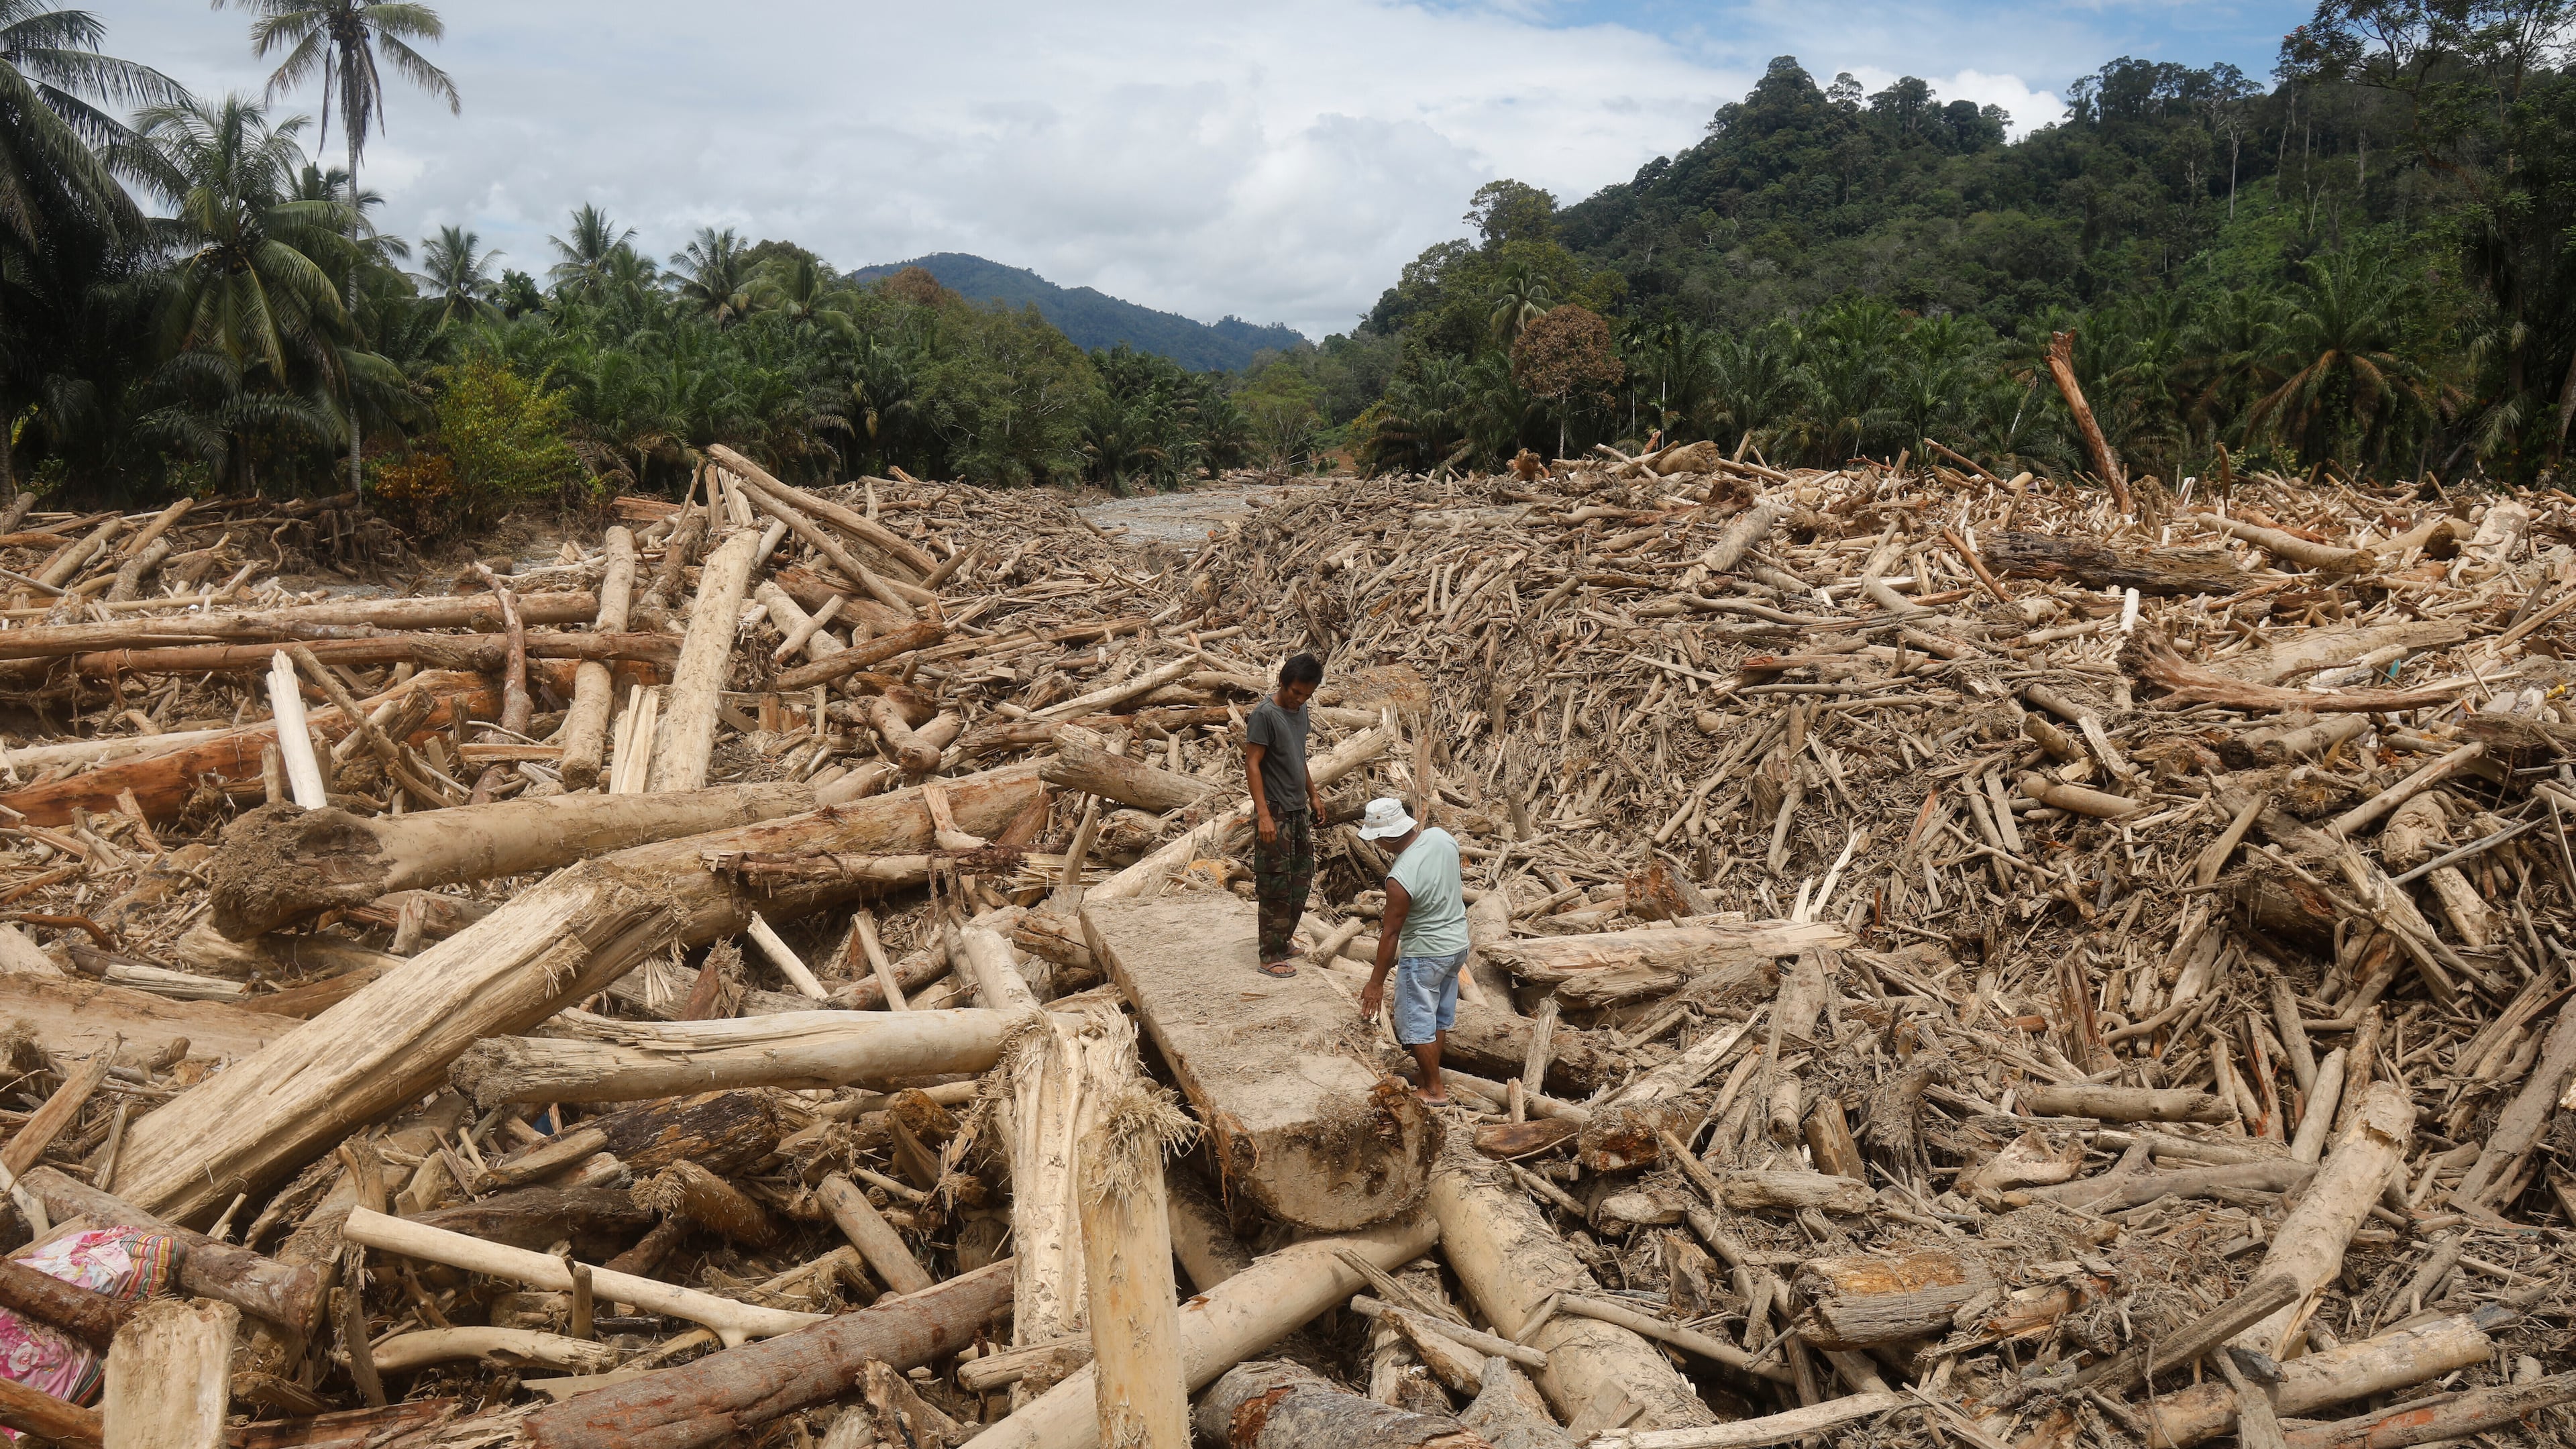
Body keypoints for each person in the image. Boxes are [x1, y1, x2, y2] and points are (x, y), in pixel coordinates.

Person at [1354, 796, 1470, 1106]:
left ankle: (1433, 1089)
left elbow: (1391, 934)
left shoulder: (1399, 879)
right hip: (1456, 944)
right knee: (1438, 1016)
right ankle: (1429, 1075)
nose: (1376, 843)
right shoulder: (1442, 838)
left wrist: (1376, 982)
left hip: (1426, 952)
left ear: (1386, 836)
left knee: (1416, 1019)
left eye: (1376, 837)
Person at [1244, 653, 1326, 977]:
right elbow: (1252, 764)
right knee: (1275, 883)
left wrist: (1314, 794)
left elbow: (1298, 756)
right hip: (1275, 810)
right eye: (1295, 692)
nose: (1299, 699)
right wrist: (1263, 815)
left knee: (1301, 879)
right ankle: (1269, 954)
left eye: (1306, 695)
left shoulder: (1301, 711)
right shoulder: (1264, 715)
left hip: (1297, 810)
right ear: (1282, 683)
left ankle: (1283, 939)